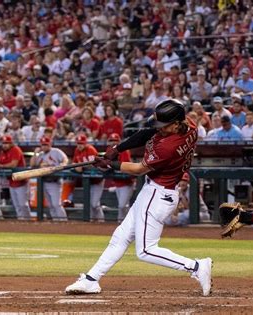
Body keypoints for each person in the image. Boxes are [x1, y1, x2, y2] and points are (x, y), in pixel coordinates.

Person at [65, 99, 212, 296]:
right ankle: (91, 279)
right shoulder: (188, 125)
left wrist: (111, 164)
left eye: (164, 126)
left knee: (145, 250)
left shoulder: (167, 147)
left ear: (176, 124)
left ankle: (195, 266)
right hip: (154, 192)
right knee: (120, 237)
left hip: (159, 194)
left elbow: (139, 169)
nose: (159, 129)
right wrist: (118, 149)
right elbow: (147, 133)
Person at [0, 135, 31, 220]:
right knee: (16, 205)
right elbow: (0, 162)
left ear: (11, 143)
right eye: (3, 143)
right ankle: (21, 221)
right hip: (11, 181)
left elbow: (13, 164)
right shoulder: (3, 152)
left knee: (23, 204)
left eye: (7, 143)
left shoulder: (15, 149)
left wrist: (0, 166)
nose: (5, 145)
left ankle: (28, 221)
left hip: (21, 181)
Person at [30, 136, 69, 221]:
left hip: (55, 181)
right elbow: (32, 165)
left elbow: (65, 160)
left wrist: (61, 166)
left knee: (56, 204)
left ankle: (63, 222)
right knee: (50, 205)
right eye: (43, 145)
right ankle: (56, 222)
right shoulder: (40, 155)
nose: (44, 147)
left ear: (50, 144)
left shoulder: (56, 151)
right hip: (44, 181)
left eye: (46, 145)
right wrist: (35, 153)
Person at [72, 134, 105, 222]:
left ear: (85, 143)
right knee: (89, 204)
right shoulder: (77, 150)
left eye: (81, 143)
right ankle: (91, 223)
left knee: (94, 204)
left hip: (97, 180)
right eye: (78, 143)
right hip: (88, 181)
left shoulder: (90, 149)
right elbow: (74, 164)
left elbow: (93, 165)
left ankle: (101, 221)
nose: (79, 145)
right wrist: (77, 167)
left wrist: (81, 167)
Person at [106, 133, 134, 222]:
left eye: (115, 140)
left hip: (127, 183)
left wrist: (112, 167)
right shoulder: (109, 150)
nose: (113, 142)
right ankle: (122, 223)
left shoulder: (124, 150)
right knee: (122, 206)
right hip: (117, 183)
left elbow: (126, 166)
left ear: (119, 141)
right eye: (111, 140)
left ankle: (125, 223)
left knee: (122, 206)